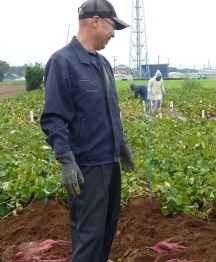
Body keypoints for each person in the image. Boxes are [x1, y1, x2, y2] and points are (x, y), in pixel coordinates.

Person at [40, 1, 134, 261]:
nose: (114, 34)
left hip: (110, 161)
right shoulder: (63, 62)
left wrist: (121, 142)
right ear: (95, 21)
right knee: (89, 235)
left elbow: (111, 110)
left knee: (107, 226)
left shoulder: (103, 63)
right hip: (87, 167)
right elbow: (54, 117)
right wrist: (66, 160)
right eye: (113, 26)